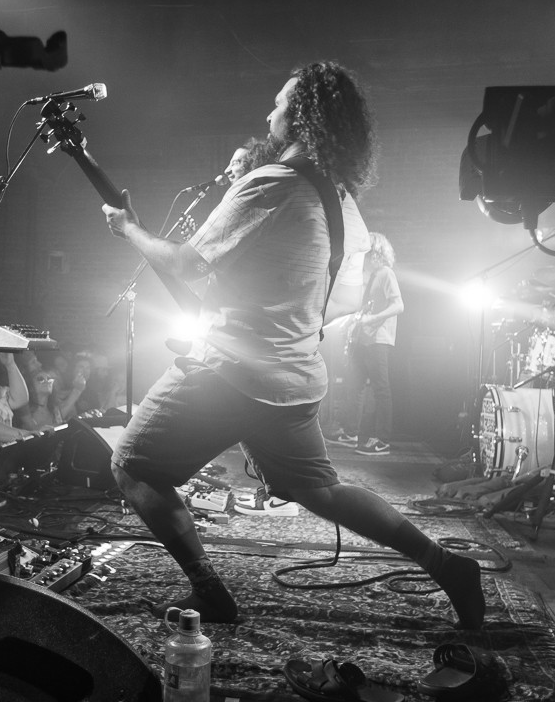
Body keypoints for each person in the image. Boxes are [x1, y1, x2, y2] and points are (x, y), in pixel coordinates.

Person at [99, 61, 485, 628]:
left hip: (229, 369)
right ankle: (447, 565)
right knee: (319, 489)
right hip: (294, 376)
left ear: (301, 115)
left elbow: (184, 263)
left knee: (132, 465)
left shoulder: (272, 183)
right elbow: (345, 301)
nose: (269, 112)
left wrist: (128, 227)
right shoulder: (346, 206)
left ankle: (208, 590)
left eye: (278, 102)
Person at [329, 232, 405, 456]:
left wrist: (372, 319)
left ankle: (383, 440)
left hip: (379, 339)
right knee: (356, 386)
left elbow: (399, 305)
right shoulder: (370, 277)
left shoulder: (386, 274)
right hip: (364, 339)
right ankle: (351, 433)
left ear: (376, 253)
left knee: (382, 389)